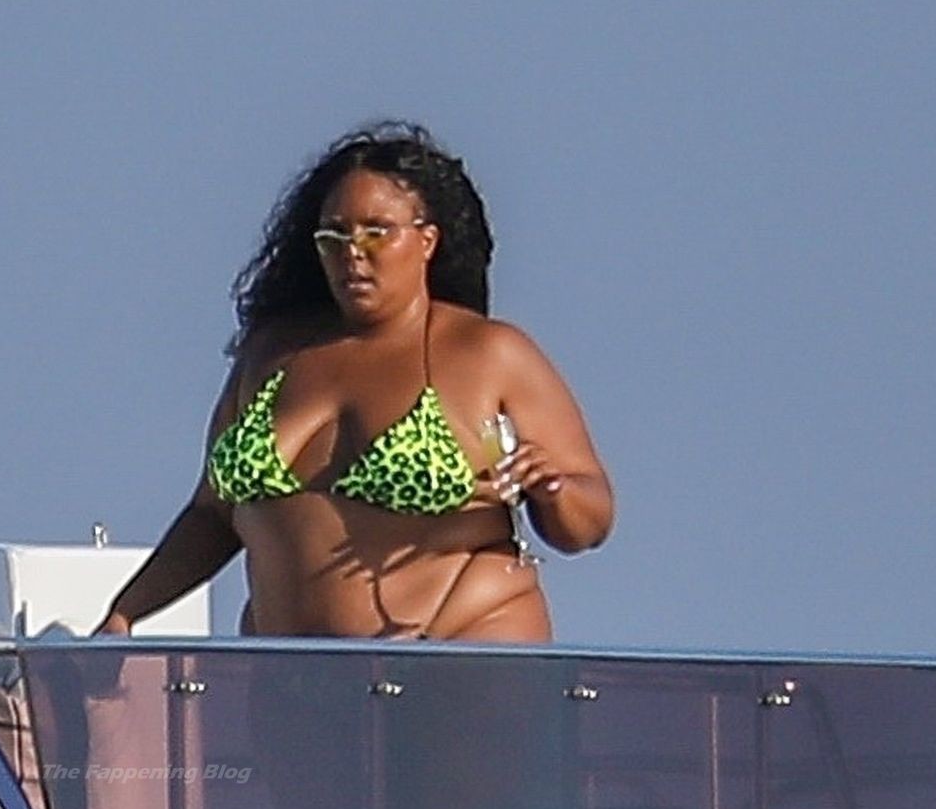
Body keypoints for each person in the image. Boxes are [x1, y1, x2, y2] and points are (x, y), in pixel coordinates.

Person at [96, 122, 612, 642]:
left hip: (461, 647)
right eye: (334, 236)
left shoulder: (489, 352)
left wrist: (554, 489)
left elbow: (590, 520)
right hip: (297, 669)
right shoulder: (272, 355)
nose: (353, 251)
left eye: (376, 231)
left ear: (427, 240)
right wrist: (126, 612)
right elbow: (212, 515)